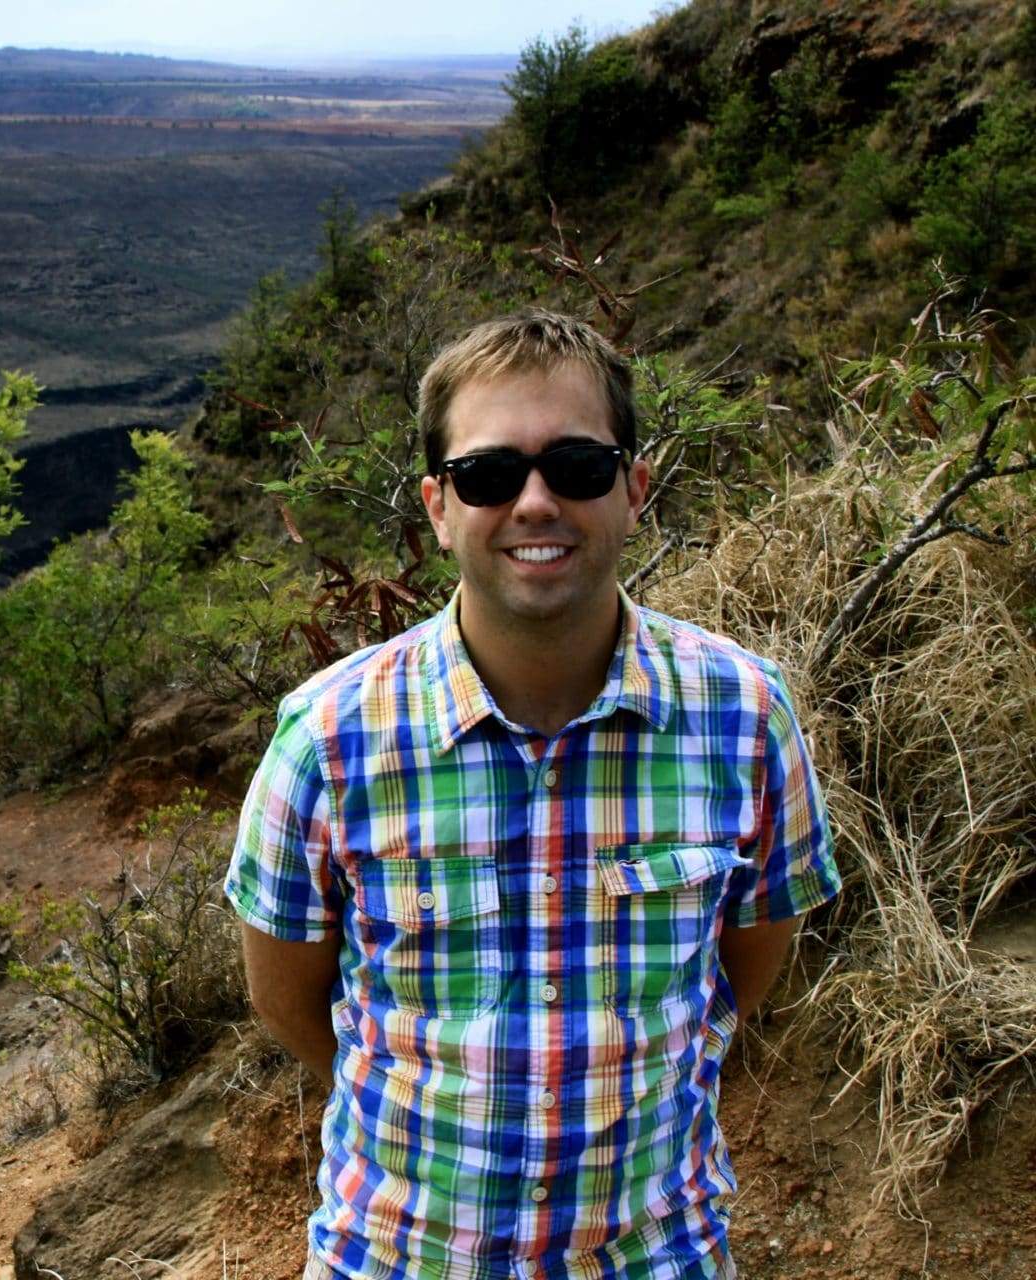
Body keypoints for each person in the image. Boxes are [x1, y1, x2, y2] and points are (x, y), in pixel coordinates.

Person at [224, 309, 839, 1280]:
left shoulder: (747, 716)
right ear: (438, 506)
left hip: (654, 1255)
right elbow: (289, 999)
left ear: (634, 488)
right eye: (490, 473)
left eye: (579, 466)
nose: (537, 501)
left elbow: (745, 968)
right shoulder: (329, 740)